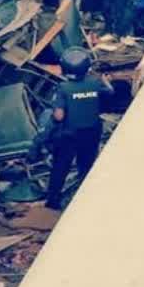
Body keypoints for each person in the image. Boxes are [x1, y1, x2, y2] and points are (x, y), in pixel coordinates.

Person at [44, 47, 113, 211]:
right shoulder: (95, 83)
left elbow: (59, 116)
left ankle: (52, 202)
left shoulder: (63, 88)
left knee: (60, 167)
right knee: (87, 166)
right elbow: (110, 92)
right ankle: (86, 201)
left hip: (69, 135)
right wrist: (105, 80)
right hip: (91, 132)